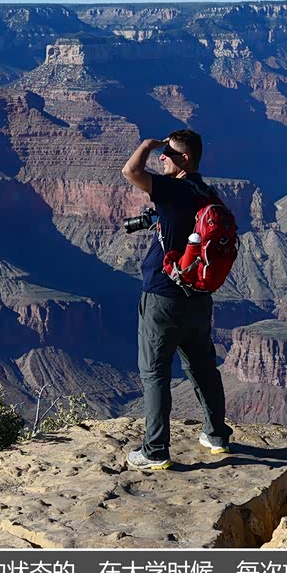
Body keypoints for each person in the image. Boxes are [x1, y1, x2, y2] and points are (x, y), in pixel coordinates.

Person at [121, 129, 233, 471]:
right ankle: (216, 435)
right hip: (198, 297)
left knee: (154, 373)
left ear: (184, 159)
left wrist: (147, 144)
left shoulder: (172, 189)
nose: (161, 157)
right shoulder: (206, 191)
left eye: (167, 153)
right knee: (203, 368)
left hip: (163, 296)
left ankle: (155, 451)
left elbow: (131, 171)